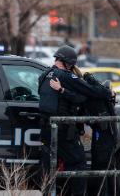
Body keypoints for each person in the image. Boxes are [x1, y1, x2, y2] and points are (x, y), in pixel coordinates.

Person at [38, 45, 113, 196]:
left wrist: (64, 91)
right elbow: (88, 92)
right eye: (72, 64)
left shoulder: (44, 75)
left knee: (48, 166)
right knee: (78, 163)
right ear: (68, 62)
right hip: (63, 129)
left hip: (46, 129)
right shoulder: (65, 76)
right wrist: (107, 93)